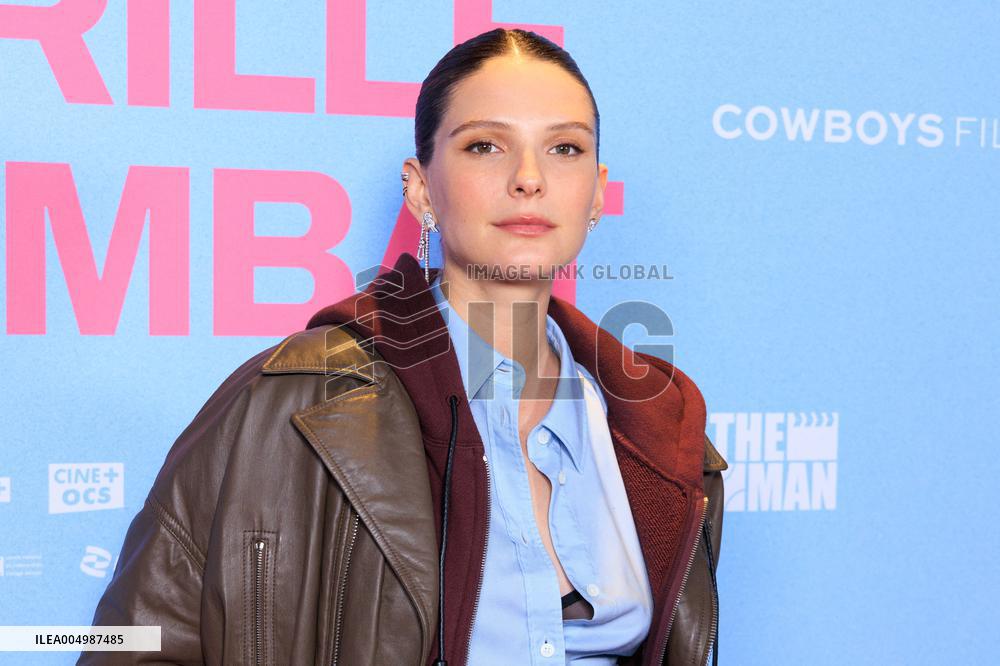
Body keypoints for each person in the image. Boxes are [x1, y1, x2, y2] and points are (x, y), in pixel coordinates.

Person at [79, 28, 727, 666]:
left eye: (563, 148)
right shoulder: (291, 401)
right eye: (485, 146)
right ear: (420, 189)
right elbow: (133, 649)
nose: (529, 178)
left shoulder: (655, 424)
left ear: (596, 191)